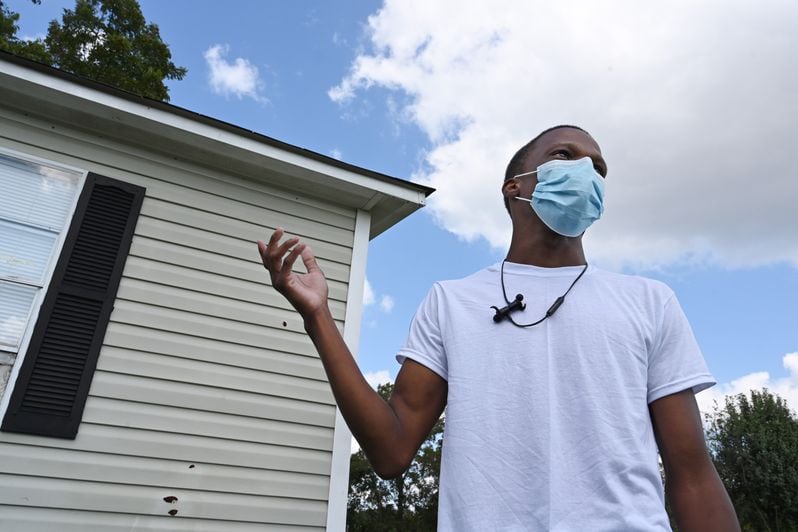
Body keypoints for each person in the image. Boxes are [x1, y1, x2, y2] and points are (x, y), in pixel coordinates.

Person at [257, 125, 739, 531]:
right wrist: (318, 318)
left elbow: (692, 473)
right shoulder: (451, 301)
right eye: (565, 155)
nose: (586, 172)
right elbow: (390, 451)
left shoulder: (649, 302)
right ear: (515, 186)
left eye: (598, 168)